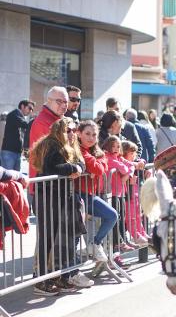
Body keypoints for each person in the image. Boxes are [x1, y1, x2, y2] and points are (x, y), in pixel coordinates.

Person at [30, 118, 89, 295]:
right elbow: (51, 168)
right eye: (69, 130)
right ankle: (41, 281)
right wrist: (73, 168)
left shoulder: (68, 144)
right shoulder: (51, 143)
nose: (73, 134)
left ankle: (57, 277)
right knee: (47, 239)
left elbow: (82, 162)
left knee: (59, 240)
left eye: (74, 130)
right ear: (61, 130)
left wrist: (76, 167)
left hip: (61, 197)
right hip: (47, 197)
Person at [76, 120, 118, 263]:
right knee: (75, 234)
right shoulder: (78, 149)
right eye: (87, 134)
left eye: (94, 135)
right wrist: (95, 166)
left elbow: (103, 165)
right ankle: (70, 270)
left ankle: (95, 243)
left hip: (89, 195)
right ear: (79, 133)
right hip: (77, 196)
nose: (91, 138)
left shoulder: (94, 150)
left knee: (112, 215)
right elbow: (99, 168)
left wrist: (96, 165)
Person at [103, 135, 136, 262]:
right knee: (115, 220)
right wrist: (126, 172)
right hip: (112, 194)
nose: (116, 148)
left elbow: (130, 166)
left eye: (118, 146)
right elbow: (123, 167)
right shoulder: (109, 158)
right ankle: (118, 246)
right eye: (113, 146)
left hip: (120, 193)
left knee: (121, 219)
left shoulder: (118, 158)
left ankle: (120, 247)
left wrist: (127, 174)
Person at [29, 86, 69, 186]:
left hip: (56, 182)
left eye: (66, 102)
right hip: (43, 185)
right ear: (49, 100)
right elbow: (61, 151)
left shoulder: (60, 120)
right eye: (59, 101)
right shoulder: (42, 121)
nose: (64, 105)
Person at [122, 140, 149, 246]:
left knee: (138, 214)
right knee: (131, 215)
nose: (134, 155)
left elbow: (141, 160)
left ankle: (141, 232)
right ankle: (136, 235)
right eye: (132, 153)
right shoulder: (125, 163)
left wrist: (141, 163)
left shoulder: (134, 162)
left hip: (135, 192)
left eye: (135, 153)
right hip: (128, 194)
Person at [1, 100, 34, 170]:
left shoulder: (20, 117)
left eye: (32, 109)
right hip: (9, 152)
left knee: (15, 178)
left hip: (17, 153)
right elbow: (26, 125)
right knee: (7, 178)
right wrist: (35, 120)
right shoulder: (14, 114)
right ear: (22, 106)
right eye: (30, 108)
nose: (31, 111)